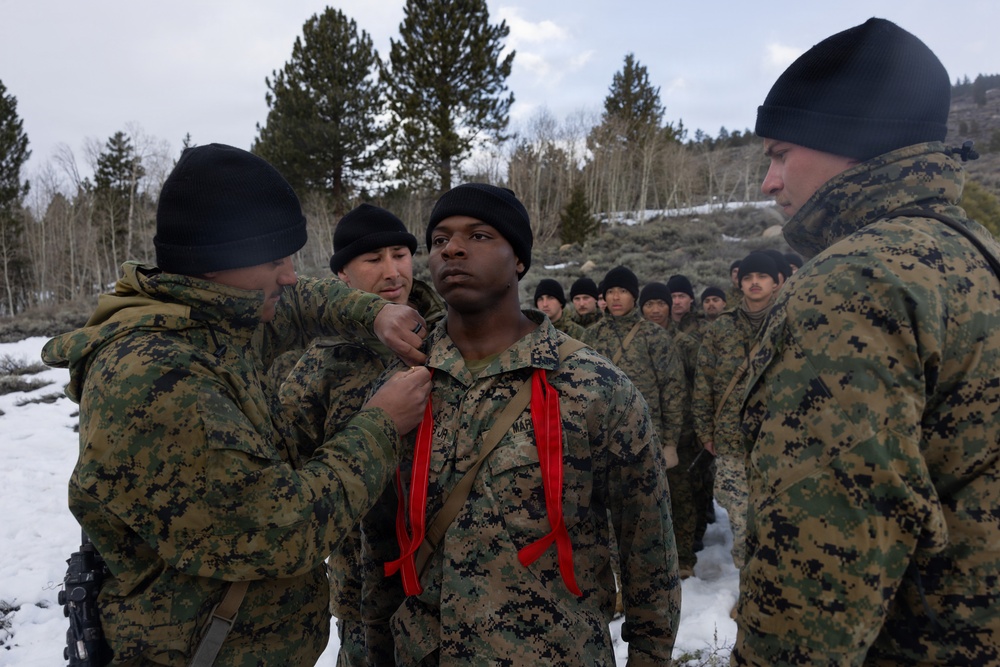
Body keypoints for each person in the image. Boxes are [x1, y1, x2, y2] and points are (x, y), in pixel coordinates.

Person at [40, 144, 433, 666]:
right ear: (214, 261)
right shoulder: (159, 377)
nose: (291, 274)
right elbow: (281, 528)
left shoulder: (209, 321)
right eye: (275, 260)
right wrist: (382, 423)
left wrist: (372, 316)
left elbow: (301, 301)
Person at [736, 18, 1000, 664]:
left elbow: (812, 585)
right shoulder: (975, 257)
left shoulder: (853, 283)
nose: (769, 182)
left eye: (779, 153)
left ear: (848, 141)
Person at [362, 183, 680, 665]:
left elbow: (647, 542)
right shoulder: (403, 386)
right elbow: (381, 540)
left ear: (519, 261)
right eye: (440, 239)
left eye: (481, 235)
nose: (454, 248)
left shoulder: (594, 386)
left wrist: (650, 655)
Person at [278, 203, 444, 666]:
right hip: (361, 600)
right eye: (372, 260)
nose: (392, 271)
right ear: (343, 277)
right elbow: (290, 480)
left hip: (452, 594)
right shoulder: (319, 367)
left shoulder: (452, 337)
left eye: (400, 254)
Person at [585, 266, 697, 575]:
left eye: (621, 291)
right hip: (603, 442)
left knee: (649, 513)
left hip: (648, 440)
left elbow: (673, 391)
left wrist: (671, 442)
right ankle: (617, 581)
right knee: (606, 517)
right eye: (610, 292)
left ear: (634, 295)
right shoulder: (590, 336)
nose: (616, 297)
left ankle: (657, 574)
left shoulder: (655, 336)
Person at [692, 253, 779, 580]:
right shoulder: (721, 328)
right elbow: (704, 383)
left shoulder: (789, 321)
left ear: (776, 282)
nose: (755, 282)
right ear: (739, 282)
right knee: (741, 518)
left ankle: (776, 581)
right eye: (748, 277)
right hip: (730, 439)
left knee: (776, 515)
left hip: (779, 439)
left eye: (763, 276)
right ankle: (751, 585)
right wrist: (705, 431)